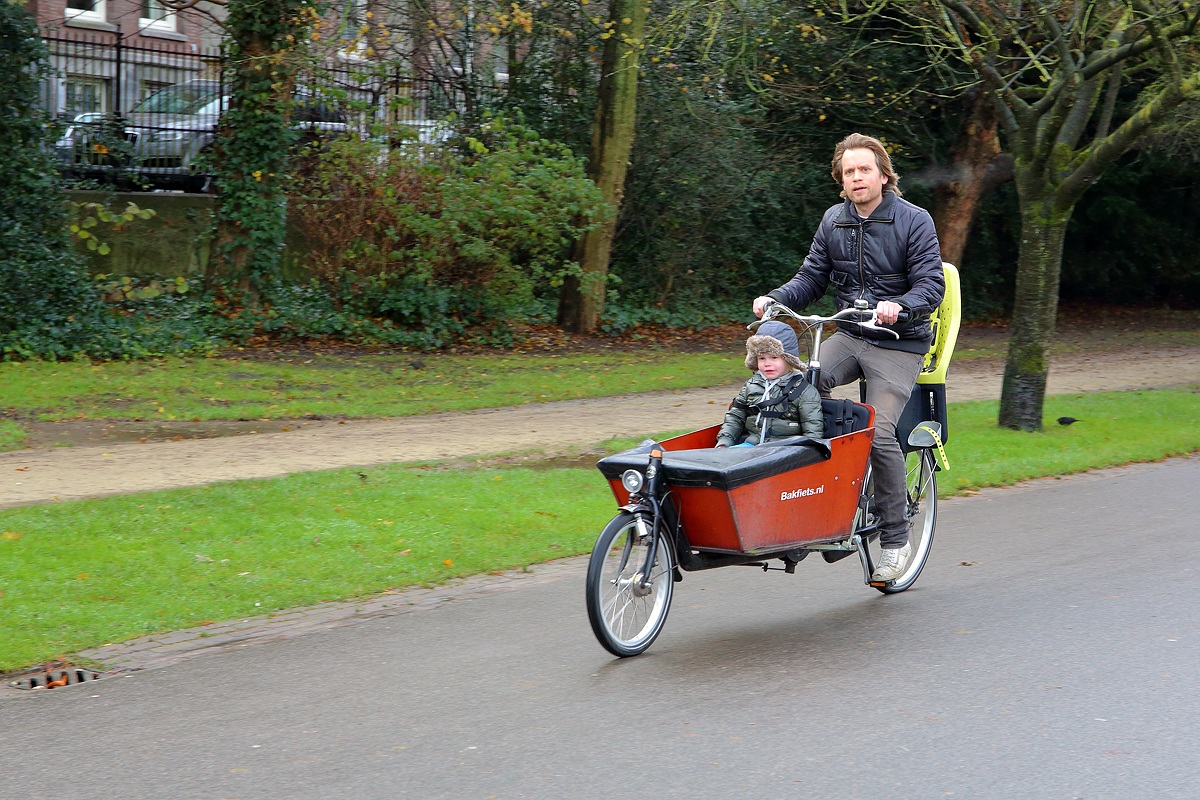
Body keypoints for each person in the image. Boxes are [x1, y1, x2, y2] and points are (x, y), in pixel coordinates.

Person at [752, 133, 945, 582]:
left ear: (882, 175)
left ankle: (895, 541)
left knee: (878, 429)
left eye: (864, 169)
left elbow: (931, 286)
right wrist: (775, 299)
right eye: (849, 171)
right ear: (841, 179)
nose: (856, 177)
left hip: (898, 341)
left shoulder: (914, 220)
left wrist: (902, 305)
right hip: (850, 333)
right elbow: (811, 276)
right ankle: (807, 511)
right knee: (789, 395)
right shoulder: (833, 220)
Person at [716, 321, 823, 447]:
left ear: (789, 359)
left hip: (785, 450)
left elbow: (813, 431)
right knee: (723, 459)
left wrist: (805, 455)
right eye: (762, 358)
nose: (767, 363)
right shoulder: (752, 385)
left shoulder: (805, 391)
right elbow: (735, 417)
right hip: (752, 445)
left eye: (774, 357)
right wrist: (724, 442)